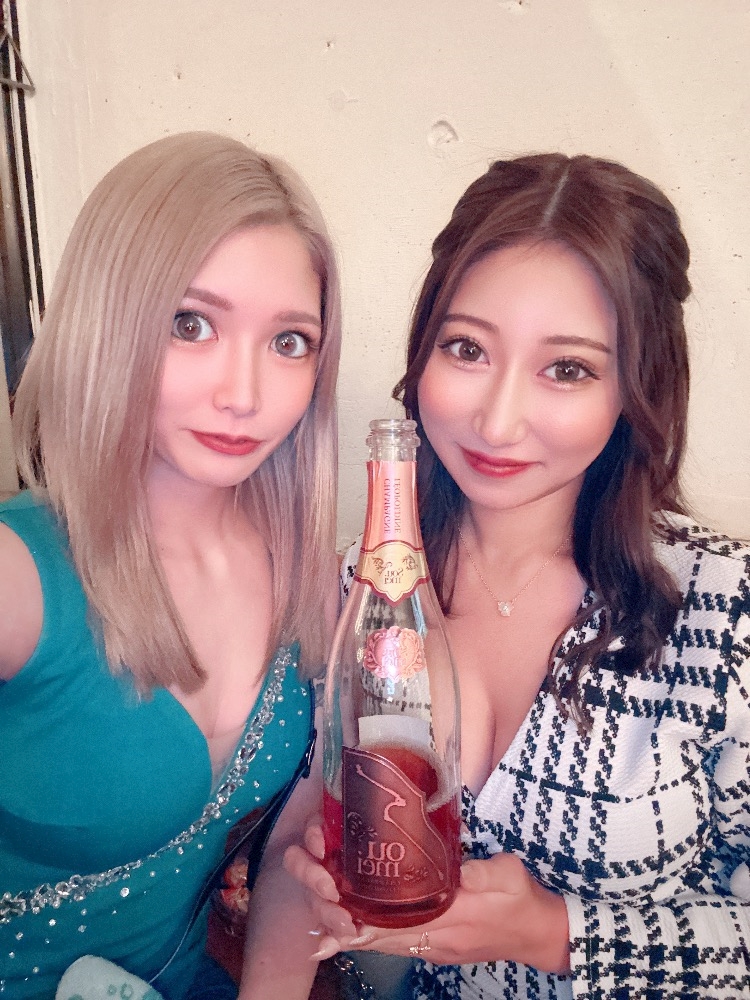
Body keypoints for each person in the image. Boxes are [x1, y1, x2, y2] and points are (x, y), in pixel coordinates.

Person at [285, 153, 750, 998]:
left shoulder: (724, 608)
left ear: (635, 387)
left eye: (567, 368)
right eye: (466, 348)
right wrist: (334, 887)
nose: (497, 422)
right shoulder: (366, 588)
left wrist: (556, 933)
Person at [0, 131, 341, 1000]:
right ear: (108, 322)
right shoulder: (18, 575)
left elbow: (293, 850)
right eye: (191, 325)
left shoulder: (309, 576)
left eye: (289, 341)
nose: (243, 394)